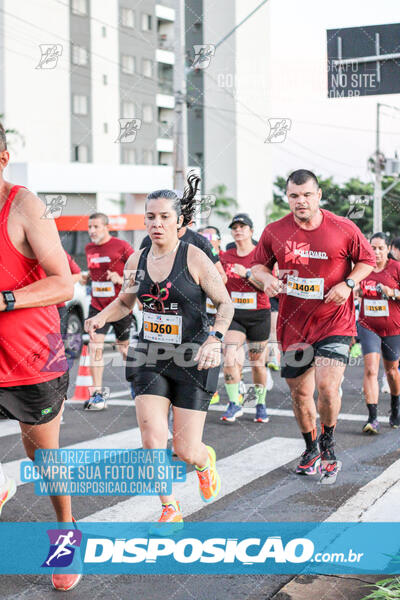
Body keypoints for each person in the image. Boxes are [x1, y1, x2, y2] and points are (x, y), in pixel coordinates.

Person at [85, 173, 234, 529]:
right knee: (152, 440)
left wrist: (215, 338)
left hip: (193, 357)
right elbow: (126, 301)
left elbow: (225, 304)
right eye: (150, 217)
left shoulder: (195, 258)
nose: (156, 223)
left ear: (179, 221)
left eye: (164, 216)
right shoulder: (137, 261)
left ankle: (202, 461)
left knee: (185, 449)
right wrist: (101, 318)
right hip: (149, 356)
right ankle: (170, 508)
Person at [252, 169, 375, 477]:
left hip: (335, 321)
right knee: (299, 393)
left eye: (307, 194)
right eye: (294, 196)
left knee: (327, 387)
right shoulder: (274, 231)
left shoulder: (343, 228)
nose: (301, 201)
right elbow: (258, 265)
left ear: (319, 195)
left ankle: (329, 444)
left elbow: (367, 260)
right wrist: (266, 279)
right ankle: (310, 447)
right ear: (287, 198)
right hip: (293, 325)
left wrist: (347, 284)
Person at [0, 123, 79, 591]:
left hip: (32, 360)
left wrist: (5, 299)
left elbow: (63, 283)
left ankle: (66, 536)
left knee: (44, 458)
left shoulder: (25, 205)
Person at [220, 213, 271, 423]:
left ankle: (260, 403)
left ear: (251, 231)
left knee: (258, 364)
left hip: (259, 315)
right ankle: (234, 402)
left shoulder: (262, 258)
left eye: (242, 227)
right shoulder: (225, 257)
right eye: (235, 227)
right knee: (230, 354)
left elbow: (268, 288)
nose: (238, 230)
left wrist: (247, 274)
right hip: (235, 315)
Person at [82, 214, 134, 410]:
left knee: (124, 348)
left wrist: (120, 279)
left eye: (96, 226)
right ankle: (97, 394)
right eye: (89, 227)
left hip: (119, 306)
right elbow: (96, 272)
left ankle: (136, 384)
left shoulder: (121, 246)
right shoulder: (89, 249)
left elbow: (138, 272)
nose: (92, 231)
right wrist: (87, 277)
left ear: (106, 227)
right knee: (94, 346)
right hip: (97, 306)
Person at [357, 232, 400, 432]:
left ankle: (395, 407)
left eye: (380, 248)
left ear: (388, 249)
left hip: (393, 328)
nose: (376, 252)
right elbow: (353, 288)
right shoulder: (363, 268)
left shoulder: (396, 268)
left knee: (391, 371)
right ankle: (372, 418)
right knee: (371, 369)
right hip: (368, 326)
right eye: (372, 248)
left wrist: (393, 293)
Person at [57, 251, 82, 360]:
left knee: (55, 347)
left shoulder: (56, 250)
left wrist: (56, 285)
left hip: (56, 307)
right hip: (26, 308)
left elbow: (77, 274)